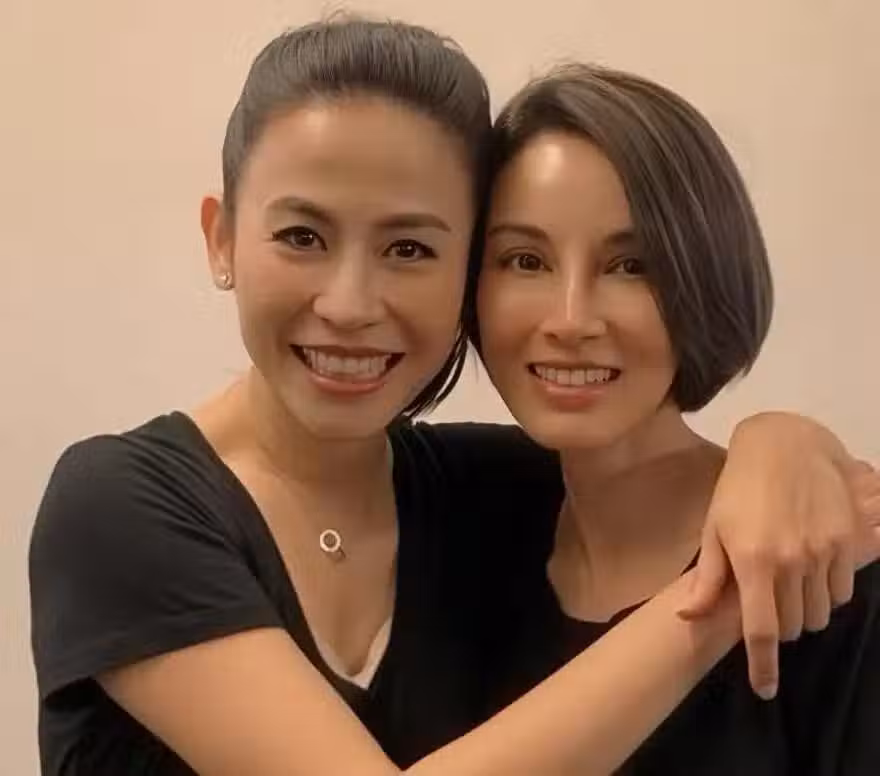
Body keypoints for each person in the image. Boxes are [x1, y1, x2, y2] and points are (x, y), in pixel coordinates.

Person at [28, 17, 879, 776]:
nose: (350, 304)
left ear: (461, 270)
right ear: (221, 239)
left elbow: (661, 468)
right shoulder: (119, 508)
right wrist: (720, 595)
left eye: (408, 248)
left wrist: (784, 440)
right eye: (301, 235)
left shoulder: (487, 498)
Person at [471, 62, 880, 775]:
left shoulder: (835, 570)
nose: (570, 319)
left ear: (706, 275)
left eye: (632, 266)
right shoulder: (456, 524)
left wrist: (782, 435)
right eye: (525, 260)